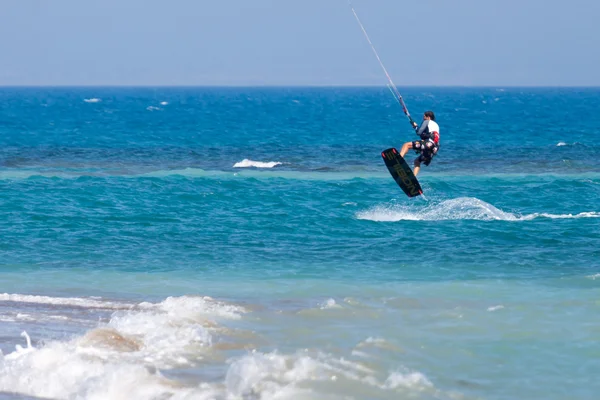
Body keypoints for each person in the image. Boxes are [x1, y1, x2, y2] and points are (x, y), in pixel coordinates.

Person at [399, 111, 440, 176]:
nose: (423, 119)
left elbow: (419, 132)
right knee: (417, 161)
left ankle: (398, 161)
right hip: (433, 149)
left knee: (406, 145)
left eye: (424, 117)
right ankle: (413, 178)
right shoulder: (436, 125)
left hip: (428, 143)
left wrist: (415, 127)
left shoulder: (427, 121)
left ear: (428, 117)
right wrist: (416, 127)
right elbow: (425, 135)